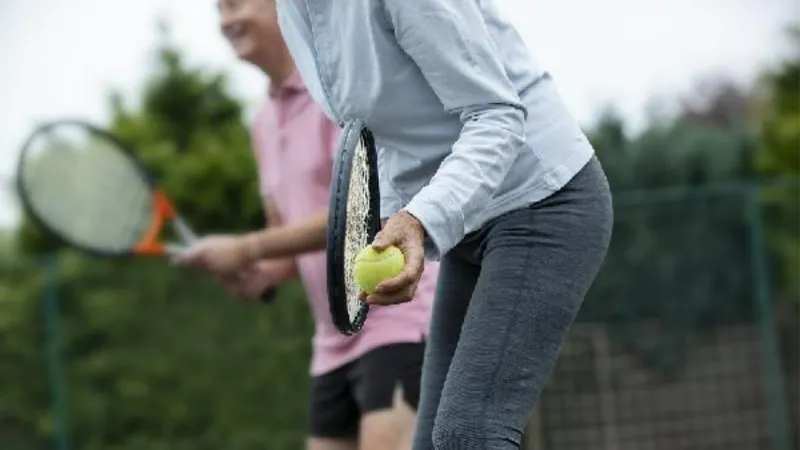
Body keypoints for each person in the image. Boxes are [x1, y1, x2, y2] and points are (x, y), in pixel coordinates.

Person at [180, 0, 614, 449]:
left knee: (468, 436)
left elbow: (497, 116)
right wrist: (390, 221)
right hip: (468, 228)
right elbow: (378, 138)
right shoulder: (297, 10)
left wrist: (418, 219)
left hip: (542, 199)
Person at [211, 1, 439, 449]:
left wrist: (247, 248)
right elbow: (283, 235)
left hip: (396, 321)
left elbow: (366, 207)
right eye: (219, 9)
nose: (226, 21)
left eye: (236, 3)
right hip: (330, 343)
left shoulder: (338, 91)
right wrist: (257, 274)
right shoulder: (260, 124)